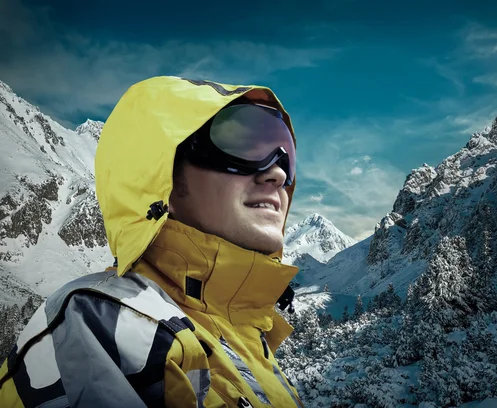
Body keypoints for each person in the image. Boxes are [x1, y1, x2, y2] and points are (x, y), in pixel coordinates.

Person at [0, 76, 304, 407]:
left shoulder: (251, 337)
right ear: (160, 178)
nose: (277, 173)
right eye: (244, 145)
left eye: (284, 155)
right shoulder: (105, 328)